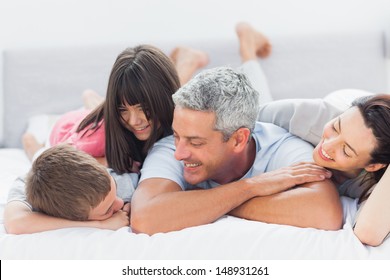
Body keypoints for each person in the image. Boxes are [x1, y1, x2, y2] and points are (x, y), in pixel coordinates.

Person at [130, 64, 343, 235]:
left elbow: (326, 213)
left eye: (196, 143)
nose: (179, 153)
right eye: (177, 136)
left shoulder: (283, 147)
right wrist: (250, 187)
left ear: (239, 140)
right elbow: (145, 218)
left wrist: (211, 202)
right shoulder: (168, 148)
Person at [231, 22, 390, 246]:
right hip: (346, 101)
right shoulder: (309, 117)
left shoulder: (373, 183)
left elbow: (368, 234)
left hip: (374, 131)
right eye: (335, 128)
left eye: (346, 150)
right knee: (259, 104)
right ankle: (247, 47)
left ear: (373, 166)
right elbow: (244, 123)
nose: (329, 146)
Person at [22, 44, 209, 172]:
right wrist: (116, 163)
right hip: (69, 129)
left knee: (170, 98)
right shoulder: (94, 138)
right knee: (40, 156)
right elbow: (57, 162)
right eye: (123, 109)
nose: (135, 120)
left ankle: (188, 60)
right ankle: (31, 143)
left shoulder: (168, 106)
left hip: (107, 115)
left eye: (144, 108)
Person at [4, 144, 138, 234]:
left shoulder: (118, 180)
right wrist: (101, 225)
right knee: (33, 149)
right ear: (77, 219)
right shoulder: (25, 186)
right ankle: (29, 140)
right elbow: (16, 223)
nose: (120, 202)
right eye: (107, 210)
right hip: (46, 161)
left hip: (66, 147)